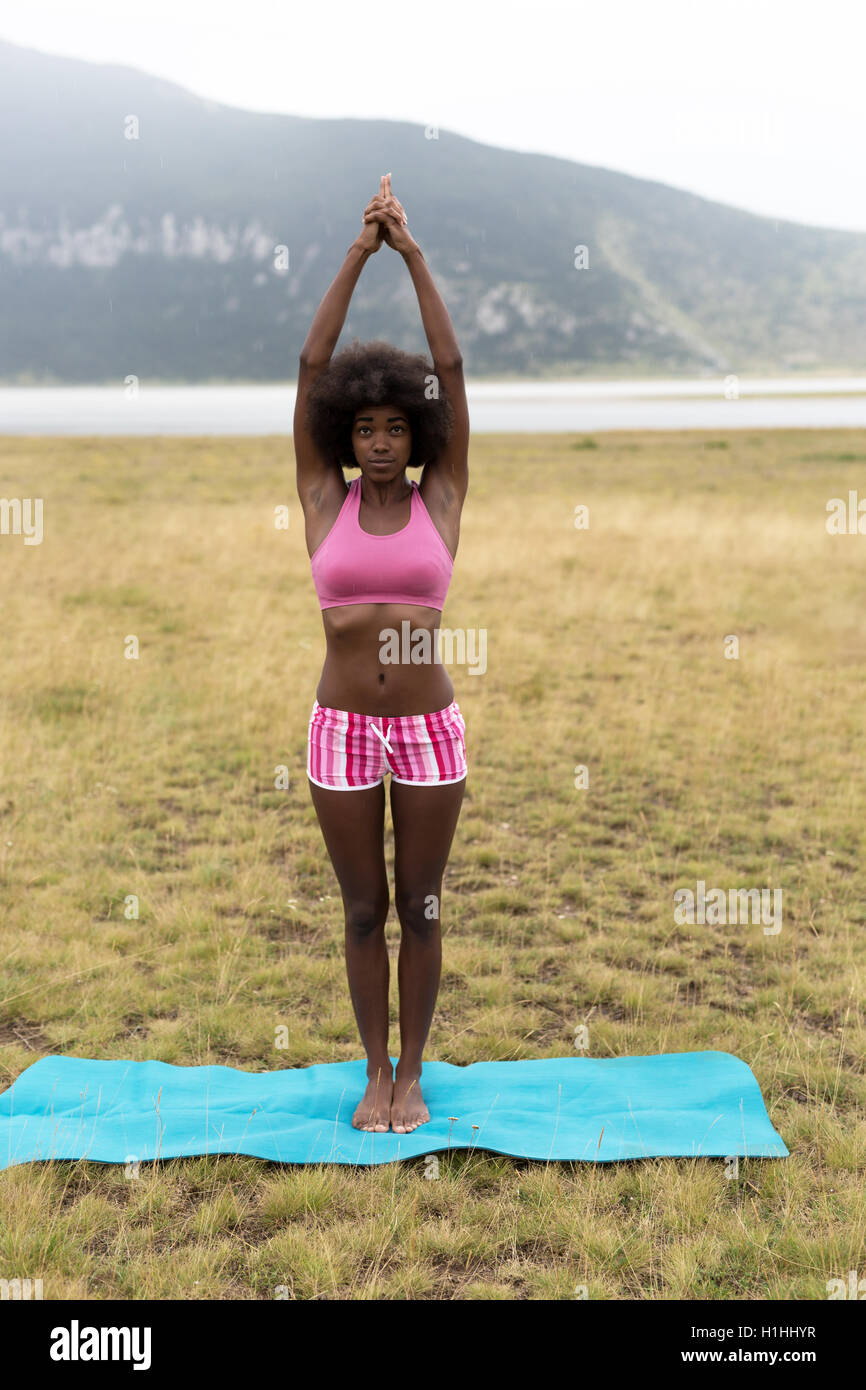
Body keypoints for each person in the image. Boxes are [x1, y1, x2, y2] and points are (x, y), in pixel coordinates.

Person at [293, 174, 470, 1134]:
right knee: (364, 911)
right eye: (364, 428)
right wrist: (358, 251)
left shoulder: (444, 501)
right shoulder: (326, 503)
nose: (378, 442)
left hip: (429, 730)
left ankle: (415, 1075)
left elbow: (450, 363)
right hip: (342, 730)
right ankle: (373, 1071)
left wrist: (413, 254)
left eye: (395, 427)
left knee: (424, 906)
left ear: (418, 432)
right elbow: (313, 362)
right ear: (344, 434)